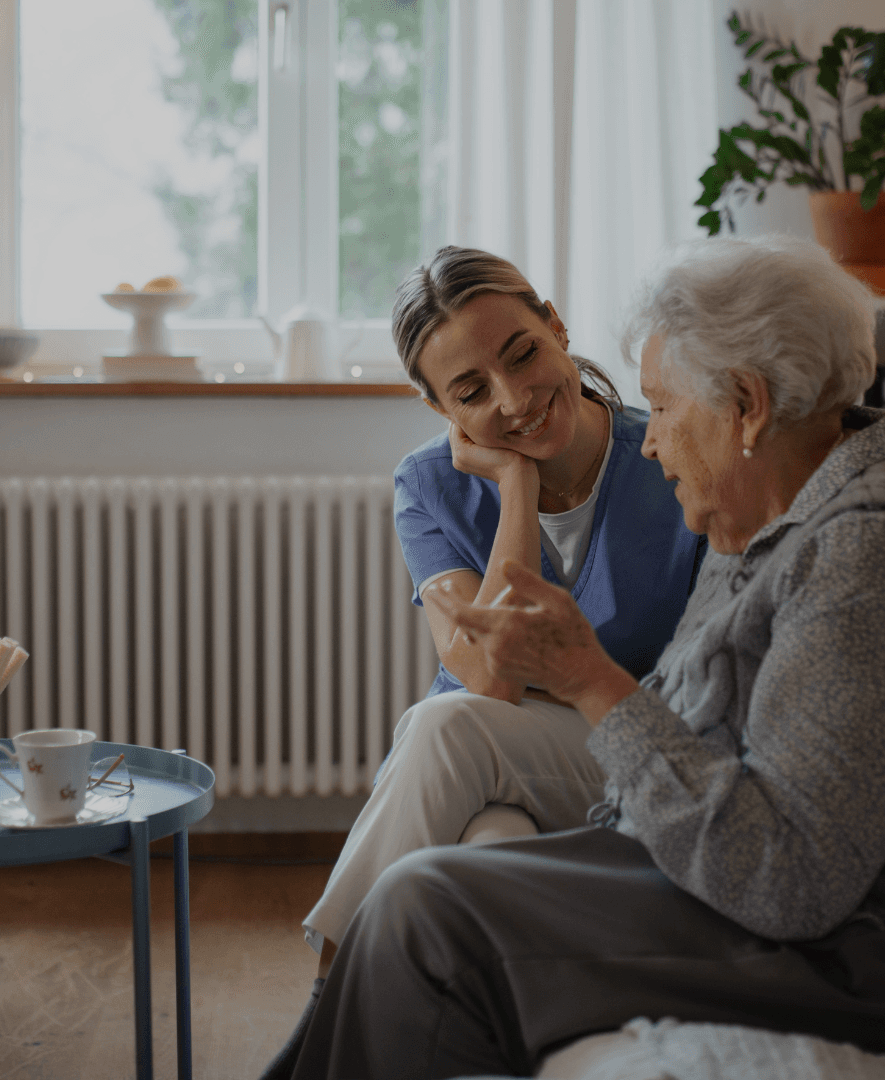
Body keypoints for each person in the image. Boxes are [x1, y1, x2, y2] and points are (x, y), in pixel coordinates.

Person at [279, 235, 885, 1079]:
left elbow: (790, 880)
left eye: (661, 406)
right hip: (800, 904)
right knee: (433, 887)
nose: (647, 444)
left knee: (427, 908)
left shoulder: (875, 555)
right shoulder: (774, 502)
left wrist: (587, 678)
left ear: (747, 406)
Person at [262, 247, 706, 1077]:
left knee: (449, 724)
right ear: (438, 408)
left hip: (627, 760)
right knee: (481, 844)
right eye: (471, 393)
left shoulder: (670, 453)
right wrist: (515, 486)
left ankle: (319, 1027)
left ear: (557, 327)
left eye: (524, 355)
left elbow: (491, 678)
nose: (515, 400)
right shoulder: (428, 484)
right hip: (490, 770)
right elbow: (489, 672)